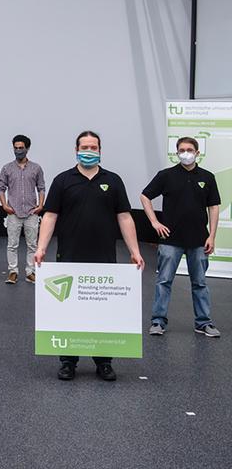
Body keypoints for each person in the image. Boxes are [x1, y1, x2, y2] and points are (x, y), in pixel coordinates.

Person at [34, 130, 145, 382]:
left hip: (104, 257)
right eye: (84, 146)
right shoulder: (63, 180)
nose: (89, 151)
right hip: (70, 256)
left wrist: (135, 251)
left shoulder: (113, 180)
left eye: (93, 147)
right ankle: (68, 362)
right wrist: (41, 248)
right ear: (76, 150)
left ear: (100, 150)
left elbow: (124, 216)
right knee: (70, 310)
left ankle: (104, 362)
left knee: (103, 311)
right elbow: (50, 216)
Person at [141, 136, 221, 337]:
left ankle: (203, 322)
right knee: (164, 281)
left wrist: (212, 235)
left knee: (200, 283)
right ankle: (158, 321)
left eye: (190, 149)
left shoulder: (207, 177)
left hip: (199, 240)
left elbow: (213, 207)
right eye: (182, 150)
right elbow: (145, 196)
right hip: (171, 239)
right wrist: (154, 222)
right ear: (177, 153)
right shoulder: (166, 175)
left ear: (197, 153)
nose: (186, 153)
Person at [0, 134, 45, 285]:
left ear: (27, 148)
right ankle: (13, 272)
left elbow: (41, 188)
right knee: (12, 244)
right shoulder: (7, 168)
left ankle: (31, 272)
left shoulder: (36, 168)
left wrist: (41, 205)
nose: (18, 151)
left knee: (32, 245)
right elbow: (0, 188)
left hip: (31, 212)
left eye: (21, 148)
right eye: (16, 148)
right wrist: (4, 205)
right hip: (13, 213)